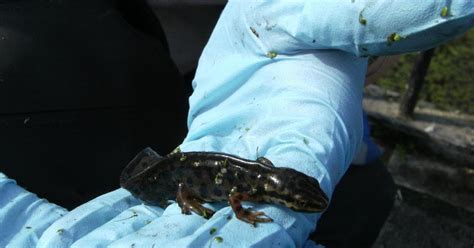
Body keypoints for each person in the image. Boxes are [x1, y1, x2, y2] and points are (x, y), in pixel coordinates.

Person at [1, 1, 473, 247]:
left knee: (364, 195)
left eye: (299, 197)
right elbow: (234, 193)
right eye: (298, 199)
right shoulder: (248, 188)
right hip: (135, 119)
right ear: (278, 191)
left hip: (168, 88)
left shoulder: (262, 175)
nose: (301, 202)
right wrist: (235, 213)